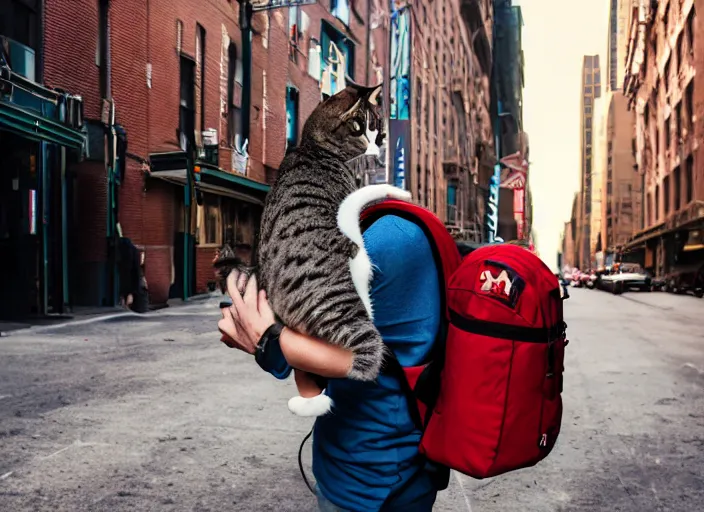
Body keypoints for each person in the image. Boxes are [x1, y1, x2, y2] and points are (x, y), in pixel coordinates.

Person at [218, 215, 441, 511]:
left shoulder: (380, 241)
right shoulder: (394, 230)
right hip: (387, 461)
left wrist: (268, 339)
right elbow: (310, 381)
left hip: (368, 472)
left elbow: (303, 364)